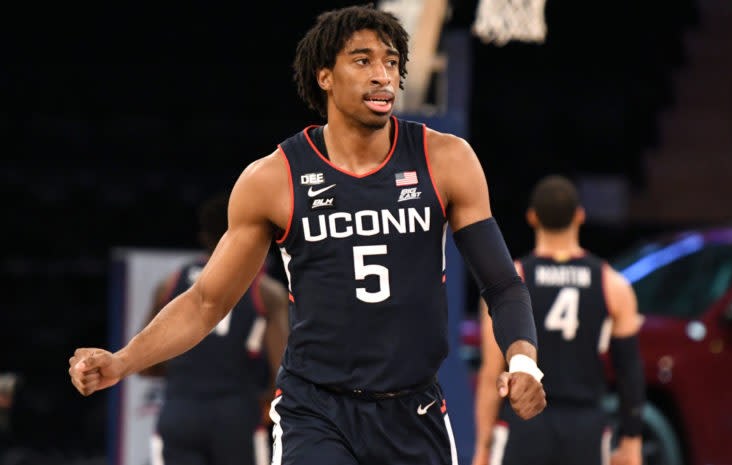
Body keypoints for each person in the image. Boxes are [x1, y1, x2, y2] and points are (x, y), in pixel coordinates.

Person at [68, 5, 546, 465]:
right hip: (316, 411)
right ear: (325, 76)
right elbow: (206, 303)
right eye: (363, 61)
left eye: (391, 62)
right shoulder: (273, 178)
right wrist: (123, 361)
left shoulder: (444, 159)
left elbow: (502, 285)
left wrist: (523, 361)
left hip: (413, 408)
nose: (383, 75)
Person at [472, 175, 645, 465]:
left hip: (525, 424)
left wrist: (482, 446)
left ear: (532, 217)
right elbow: (629, 372)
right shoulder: (611, 283)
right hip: (585, 427)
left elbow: (491, 374)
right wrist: (632, 442)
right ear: (580, 216)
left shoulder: (511, 282)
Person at [138, 193, 288, 465]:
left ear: (203, 237)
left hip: (179, 411)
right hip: (236, 413)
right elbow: (282, 371)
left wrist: (188, 371)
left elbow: (145, 364)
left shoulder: (170, 284)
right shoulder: (266, 290)